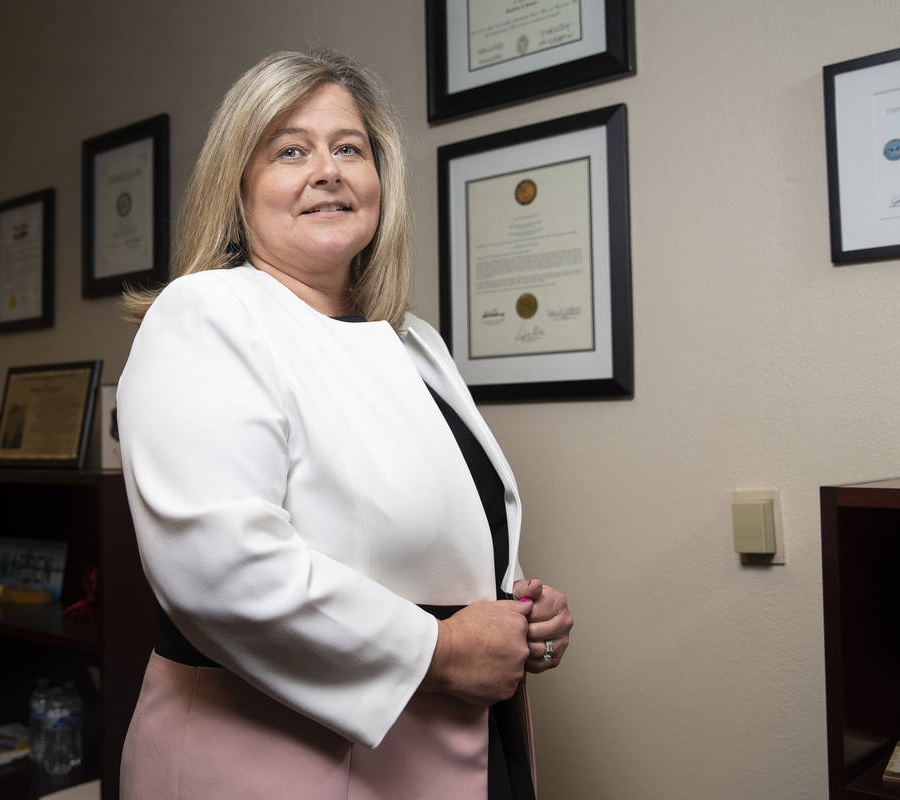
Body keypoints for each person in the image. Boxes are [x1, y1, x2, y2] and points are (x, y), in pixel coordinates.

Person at [115, 49, 573, 800]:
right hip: (272, 765)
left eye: (349, 149)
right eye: (290, 150)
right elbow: (222, 568)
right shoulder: (205, 314)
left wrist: (518, 607)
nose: (327, 170)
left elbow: (421, 536)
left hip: (454, 748)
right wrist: (443, 647)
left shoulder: (412, 339)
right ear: (239, 190)